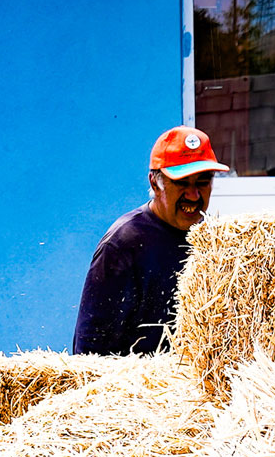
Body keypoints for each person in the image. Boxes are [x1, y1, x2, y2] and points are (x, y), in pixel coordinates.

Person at [72, 125, 230, 355]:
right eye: (182, 182)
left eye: (203, 182)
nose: (193, 195)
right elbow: (89, 351)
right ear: (155, 183)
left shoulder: (213, 242)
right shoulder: (123, 245)